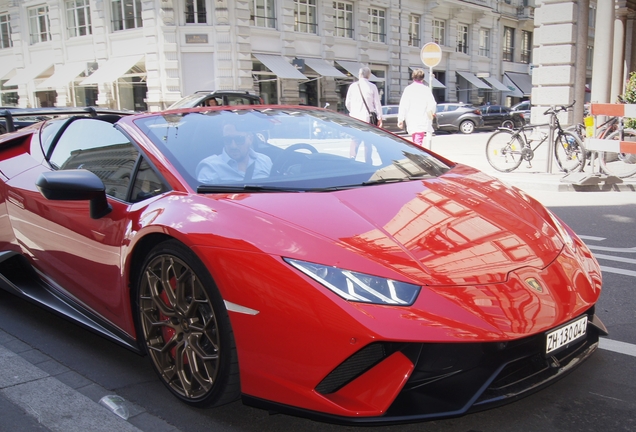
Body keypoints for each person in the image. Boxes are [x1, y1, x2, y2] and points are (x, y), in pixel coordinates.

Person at [196, 123, 272, 183]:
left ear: (250, 139)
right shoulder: (211, 167)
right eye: (227, 140)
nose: (233, 146)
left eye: (239, 139)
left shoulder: (265, 161)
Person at [345, 67, 382, 159]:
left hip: (354, 118)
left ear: (359, 74)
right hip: (367, 118)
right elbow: (377, 103)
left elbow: (347, 103)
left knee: (355, 140)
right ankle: (368, 161)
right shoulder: (372, 86)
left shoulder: (353, 86)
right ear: (369, 75)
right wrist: (379, 117)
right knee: (368, 142)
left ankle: (352, 159)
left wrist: (353, 111)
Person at [397, 68, 437, 147]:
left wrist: (400, 119)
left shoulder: (408, 89)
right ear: (422, 77)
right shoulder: (426, 89)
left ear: (413, 77)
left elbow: (403, 105)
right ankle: (416, 157)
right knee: (418, 142)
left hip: (411, 119)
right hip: (422, 119)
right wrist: (431, 114)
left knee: (415, 140)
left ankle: (415, 156)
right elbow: (432, 104)